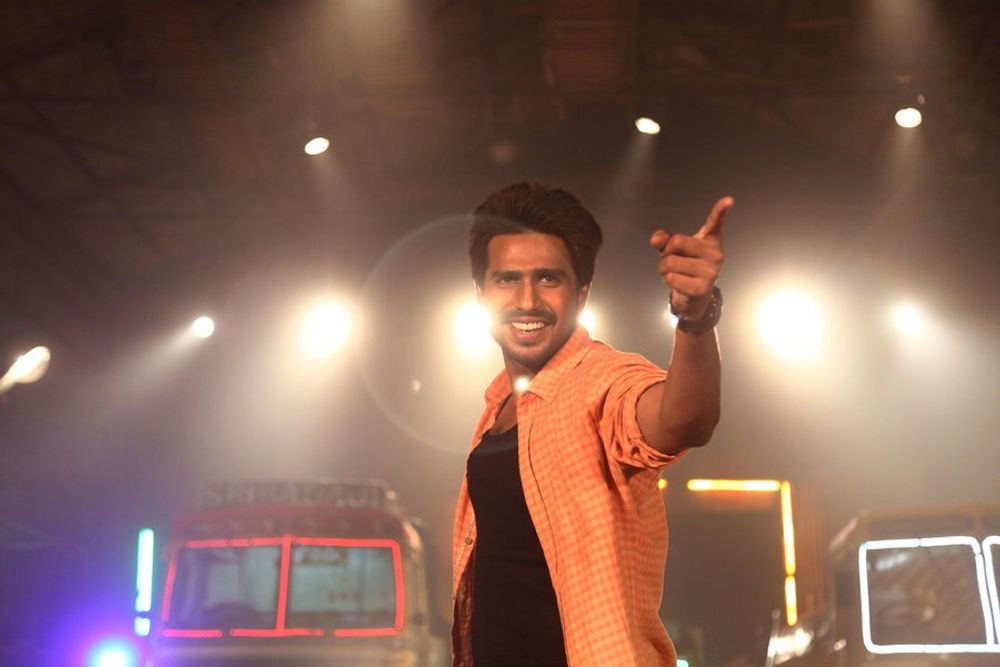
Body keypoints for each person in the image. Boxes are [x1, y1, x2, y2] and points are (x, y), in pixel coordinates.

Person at [451, 182, 732, 667]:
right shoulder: (496, 407)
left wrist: (696, 317)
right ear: (481, 294)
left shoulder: (603, 381)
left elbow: (682, 422)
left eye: (548, 279)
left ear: (582, 294)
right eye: (507, 280)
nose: (527, 300)